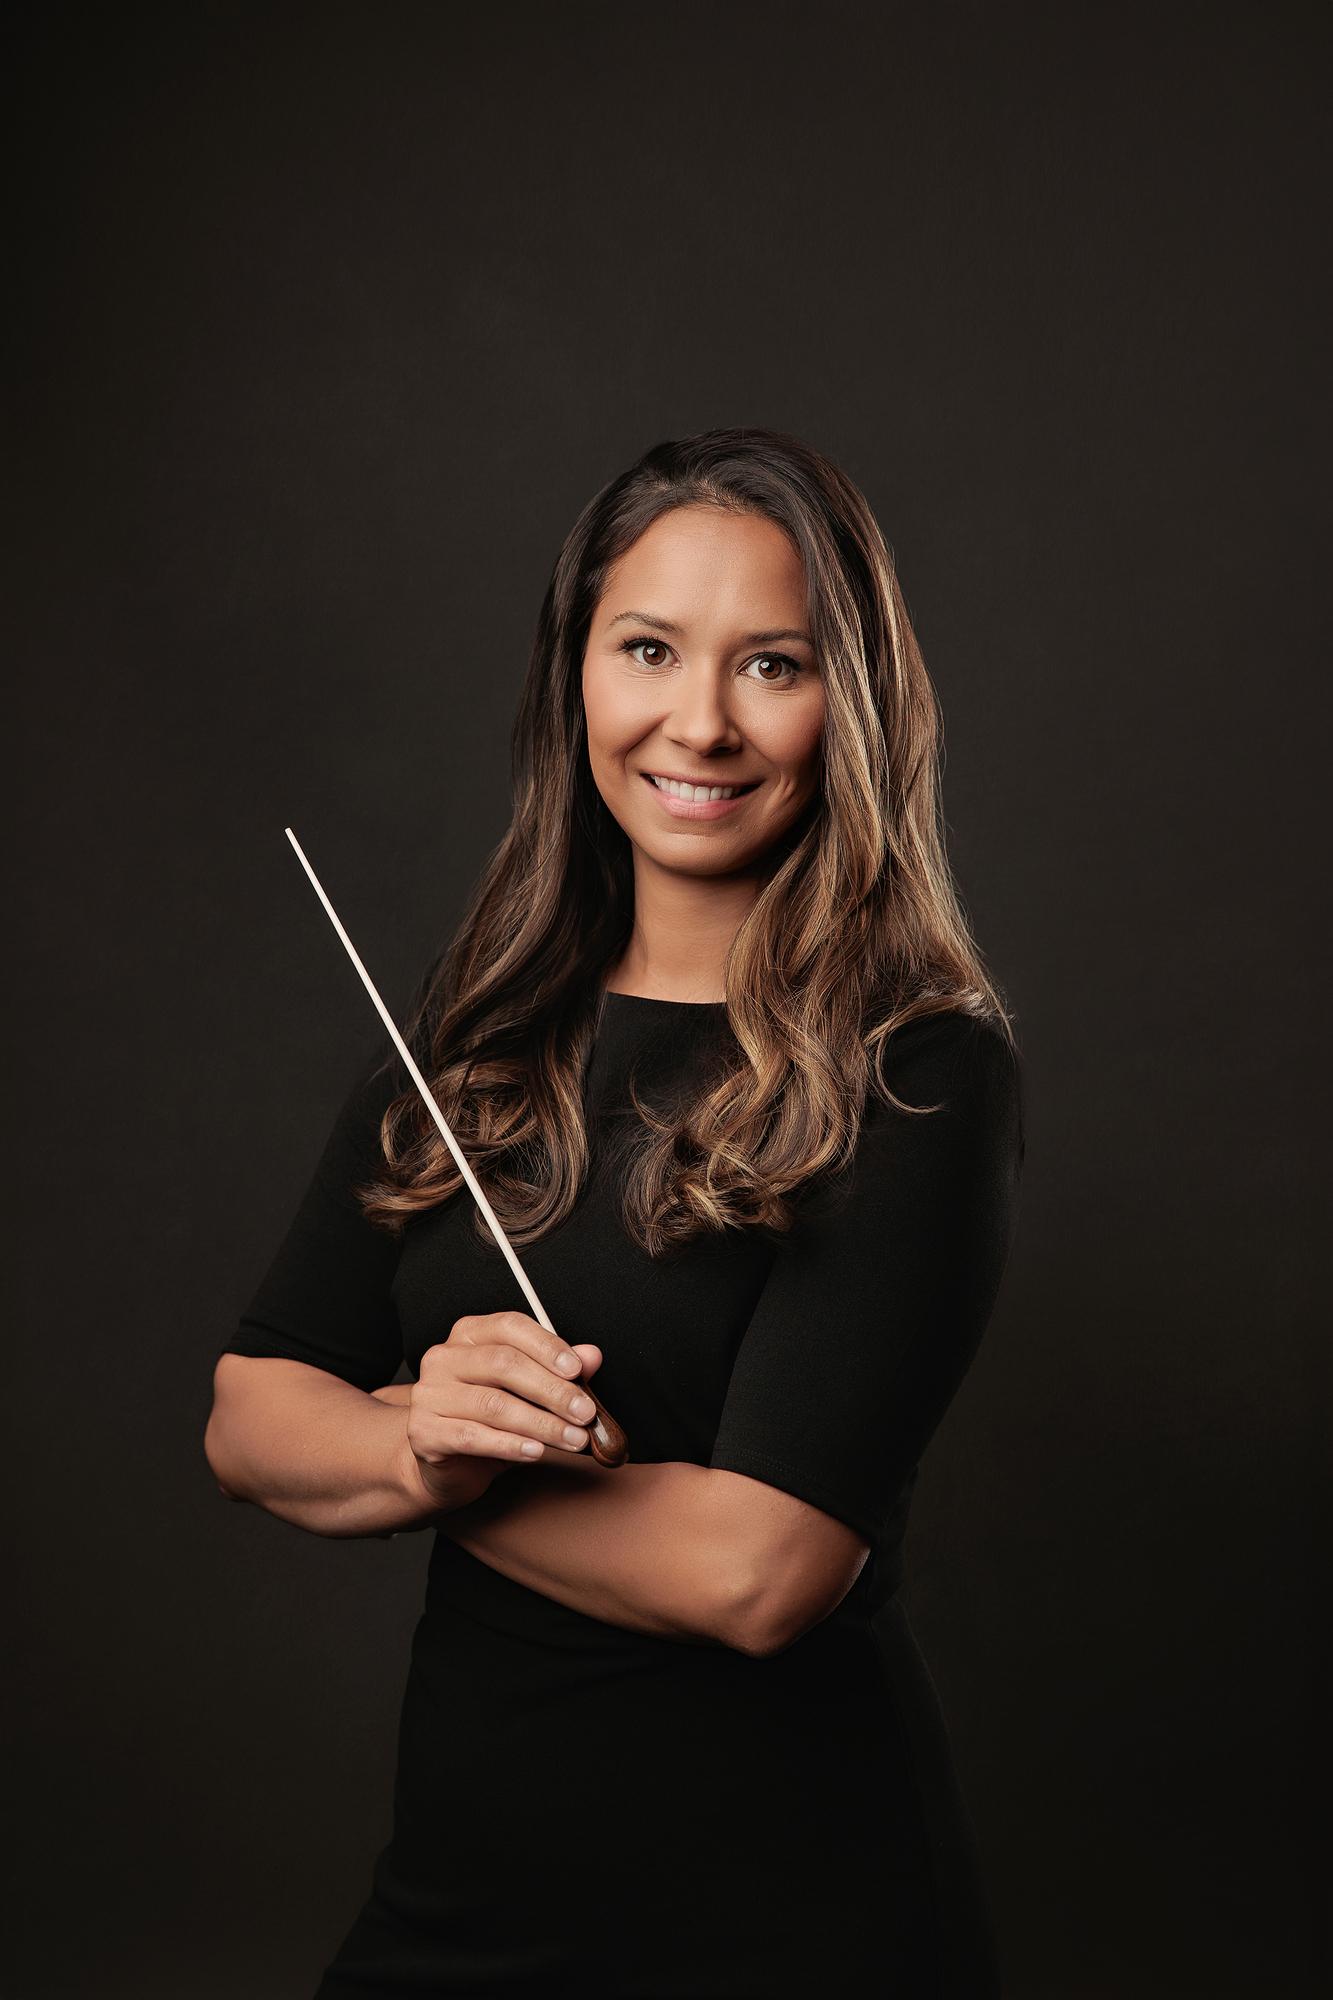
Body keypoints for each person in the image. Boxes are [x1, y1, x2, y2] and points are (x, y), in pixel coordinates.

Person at [206, 425, 1026, 1997]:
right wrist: (408, 1438)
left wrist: (429, 1469)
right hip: (448, 1917)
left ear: (849, 703)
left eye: (770, 665)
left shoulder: (918, 1068)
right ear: (575, 670)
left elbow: (757, 1574)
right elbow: (248, 1413)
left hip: (787, 1930)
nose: (698, 725)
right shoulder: (479, 1031)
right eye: (647, 648)